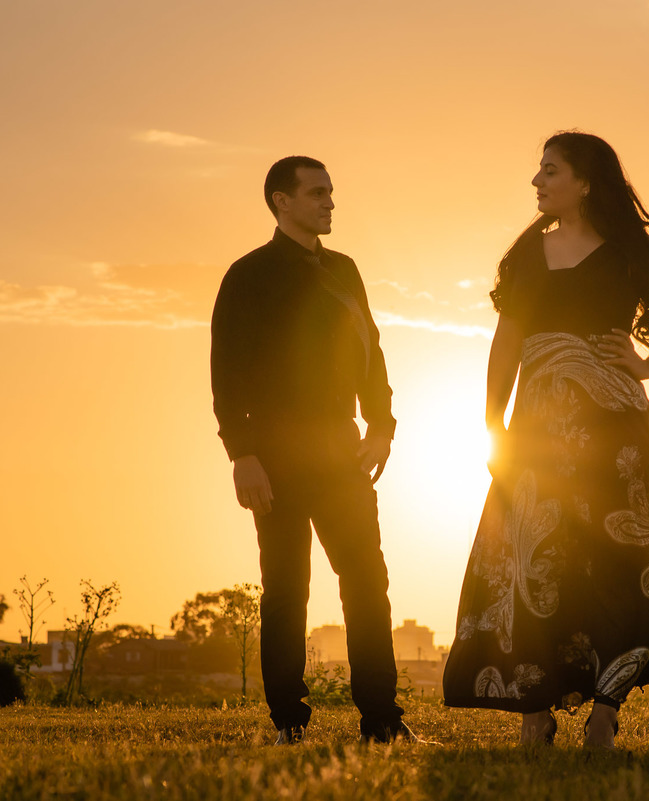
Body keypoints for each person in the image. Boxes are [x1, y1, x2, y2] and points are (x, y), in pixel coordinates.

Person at [442, 132, 649, 748]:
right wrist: (493, 427)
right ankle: (535, 710)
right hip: (538, 438)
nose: (536, 182)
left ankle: (606, 707)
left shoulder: (633, 252)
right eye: (538, 171)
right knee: (532, 565)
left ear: (585, 182)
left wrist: (648, 366)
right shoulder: (526, 255)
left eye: (550, 170)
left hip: (621, 438)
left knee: (618, 569)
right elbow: (506, 346)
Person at [210, 156, 416, 745]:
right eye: (317, 193)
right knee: (285, 588)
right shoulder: (246, 276)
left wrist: (382, 424)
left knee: (367, 581)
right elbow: (227, 374)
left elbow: (371, 353)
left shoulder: (346, 271)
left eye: (331, 192)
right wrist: (242, 455)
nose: (329, 203)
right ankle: (288, 724)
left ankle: (381, 719)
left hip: (340, 448)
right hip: (272, 454)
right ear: (282, 201)